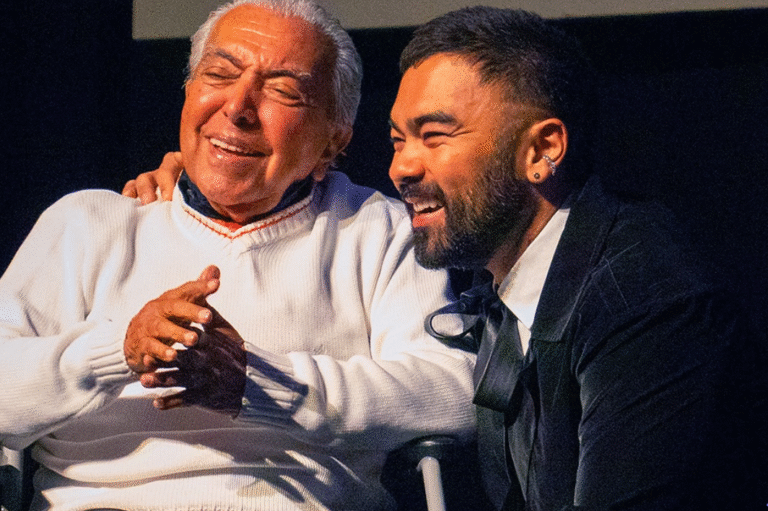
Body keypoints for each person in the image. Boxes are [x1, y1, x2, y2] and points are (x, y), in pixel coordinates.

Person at [131, 6, 768, 511]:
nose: (402, 168)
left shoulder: (645, 303)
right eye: (399, 139)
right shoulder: (507, 297)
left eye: (436, 136)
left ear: (541, 150)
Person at [0, 1, 476, 510]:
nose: (237, 107)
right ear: (187, 94)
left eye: (283, 92)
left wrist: (262, 383)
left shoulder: (375, 228)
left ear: (333, 142)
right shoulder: (89, 223)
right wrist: (120, 350)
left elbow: (454, 390)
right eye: (219, 75)